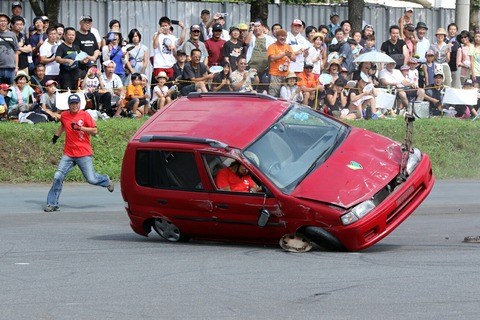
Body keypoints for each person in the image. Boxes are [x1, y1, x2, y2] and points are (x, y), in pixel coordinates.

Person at [45, 93, 114, 212]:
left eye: (76, 103)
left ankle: (105, 180)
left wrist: (80, 128)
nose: (74, 106)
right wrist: (55, 138)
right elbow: (63, 126)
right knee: (58, 176)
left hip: (83, 153)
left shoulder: (85, 115)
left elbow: (94, 130)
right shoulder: (65, 115)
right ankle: (52, 203)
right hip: (69, 153)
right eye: (72, 104)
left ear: (80, 104)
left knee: (91, 179)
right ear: (68, 105)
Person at [267, 29, 296, 97]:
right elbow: (272, 58)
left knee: (285, 95)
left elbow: (294, 59)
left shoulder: (288, 46)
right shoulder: (272, 46)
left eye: (284, 36)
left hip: (286, 75)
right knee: (273, 95)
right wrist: (284, 54)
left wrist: (289, 55)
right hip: (275, 74)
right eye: (280, 36)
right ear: (277, 37)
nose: (282, 38)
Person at [55, 27, 81, 91]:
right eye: (69, 35)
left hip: (75, 75)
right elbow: (57, 59)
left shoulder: (76, 47)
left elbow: (79, 59)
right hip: (65, 76)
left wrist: (83, 60)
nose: (71, 37)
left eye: (73, 35)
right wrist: (66, 60)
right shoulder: (61, 47)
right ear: (64, 35)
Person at [0, 13, 20, 85]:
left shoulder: (12, 34)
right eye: (1, 21)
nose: (3, 23)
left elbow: (16, 51)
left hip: (11, 68)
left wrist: (16, 67)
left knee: (11, 90)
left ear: (8, 23)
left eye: (4, 21)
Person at [447, 23, 461, 88]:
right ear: (448, 31)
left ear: (456, 32)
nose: (452, 31)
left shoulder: (458, 44)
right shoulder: (444, 41)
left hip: (454, 69)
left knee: (453, 87)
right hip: (444, 67)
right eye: (450, 29)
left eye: (454, 29)